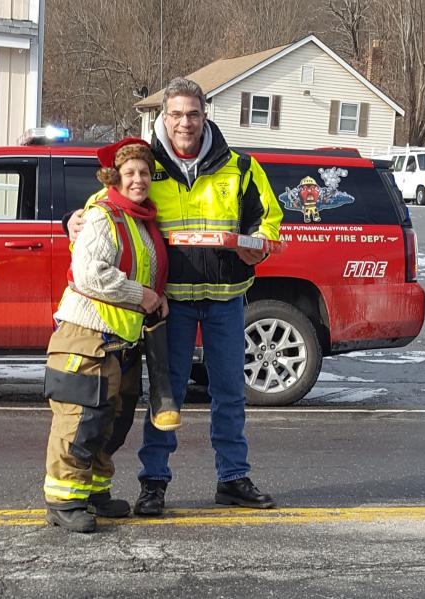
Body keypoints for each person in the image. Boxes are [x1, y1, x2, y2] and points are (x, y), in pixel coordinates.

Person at [66, 77, 284, 516]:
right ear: (164, 117)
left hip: (226, 298)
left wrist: (257, 243)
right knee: (167, 396)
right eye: (177, 114)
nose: (186, 123)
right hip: (171, 305)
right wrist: (74, 220)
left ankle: (233, 478)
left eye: (194, 114)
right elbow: (104, 206)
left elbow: (271, 221)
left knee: (230, 393)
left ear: (206, 116)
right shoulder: (146, 164)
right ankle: (154, 483)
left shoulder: (241, 167)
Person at [43, 138, 174, 533]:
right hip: (87, 336)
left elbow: (140, 272)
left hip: (118, 339)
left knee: (109, 423)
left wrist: (157, 297)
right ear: (115, 177)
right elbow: (91, 275)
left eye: (145, 173)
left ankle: (94, 492)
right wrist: (144, 296)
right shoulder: (103, 216)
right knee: (80, 421)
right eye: (130, 173)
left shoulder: (139, 219)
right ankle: (63, 502)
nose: (139, 180)